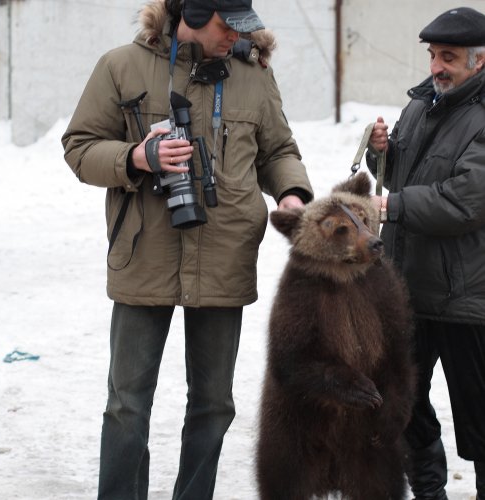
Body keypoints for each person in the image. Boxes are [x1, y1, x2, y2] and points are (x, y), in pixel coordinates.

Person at [62, 0, 313, 499]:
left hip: (226, 255)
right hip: (143, 253)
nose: (235, 37)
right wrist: (136, 156)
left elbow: (278, 150)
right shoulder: (121, 66)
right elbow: (80, 146)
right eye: (226, 26)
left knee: (214, 404)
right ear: (194, 16)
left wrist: (291, 193)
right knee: (127, 403)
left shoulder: (253, 73)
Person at [367, 7, 485, 500]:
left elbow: (465, 201)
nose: (436, 66)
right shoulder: (422, 104)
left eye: (449, 57)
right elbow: (401, 177)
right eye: (434, 55)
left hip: (467, 299)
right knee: (401, 405)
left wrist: (391, 204)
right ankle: (430, 492)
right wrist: (381, 153)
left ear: (479, 61)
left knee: (481, 422)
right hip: (408, 291)